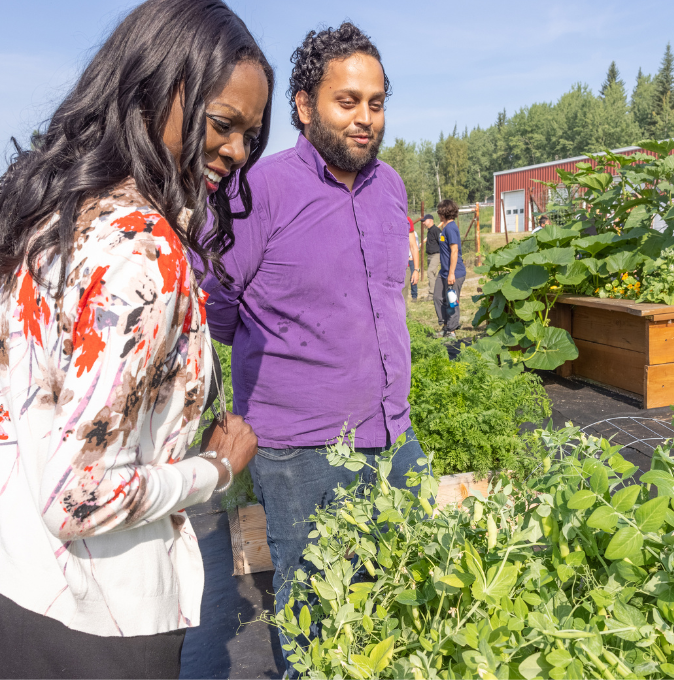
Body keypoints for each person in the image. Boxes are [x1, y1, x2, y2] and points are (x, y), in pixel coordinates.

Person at [0, 2, 271, 678]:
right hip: (90, 614)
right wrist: (215, 468)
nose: (238, 151)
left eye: (250, 134)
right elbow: (79, 496)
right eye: (224, 124)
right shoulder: (142, 252)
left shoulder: (43, 213)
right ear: (155, 89)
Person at [200, 22, 428, 674]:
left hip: (395, 439)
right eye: (347, 101)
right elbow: (216, 308)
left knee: (402, 605)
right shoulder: (258, 192)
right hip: (302, 451)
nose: (365, 119)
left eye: (376, 103)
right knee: (317, 626)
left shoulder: (391, 188)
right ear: (304, 107)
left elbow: (386, 296)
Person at [435, 199, 466, 338]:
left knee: (451, 301)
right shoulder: (446, 228)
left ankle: (452, 331)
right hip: (444, 272)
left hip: (454, 272)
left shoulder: (451, 228)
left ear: (443, 213)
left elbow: (454, 251)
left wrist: (451, 273)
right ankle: (445, 325)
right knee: (438, 297)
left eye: (439, 211)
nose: (438, 214)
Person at [422, 213, 441, 304]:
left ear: (430, 220)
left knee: (430, 273)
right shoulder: (429, 231)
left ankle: (431, 295)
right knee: (433, 275)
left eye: (424, 221)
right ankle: (437, 293)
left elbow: (442, 242)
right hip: (430, 256)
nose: (423, 223)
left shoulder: (436, 230)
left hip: (436, 255)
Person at [407, 216, 420, 300]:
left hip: (410, 259)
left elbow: (414, 246)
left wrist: (412, 257)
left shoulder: (414, 234)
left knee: (413, 279)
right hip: (407, 258)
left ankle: (414, 295)